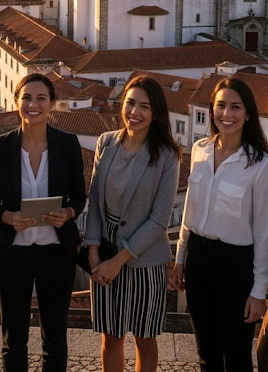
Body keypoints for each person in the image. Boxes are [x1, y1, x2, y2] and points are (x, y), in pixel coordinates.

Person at [168, 77, 268, 372]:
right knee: (206, 351)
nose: (226, 114)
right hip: (199, 260)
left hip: (236, 266)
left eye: (235, 107)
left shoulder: (261, 166)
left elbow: (265, 232)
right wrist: (180, 259)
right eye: (220, 106)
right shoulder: (200, 149)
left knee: (237, 354)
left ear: (248, 114)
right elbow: (190, 207)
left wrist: (258, 291)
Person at [0, 73, 87, 372]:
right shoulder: (1, 147)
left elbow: (79, 198)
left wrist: (67, 213)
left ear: (52, 104)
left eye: (41, 98)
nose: (33, 104)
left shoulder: (67, 144)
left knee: (55, 336)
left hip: (56, 253)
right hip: (13, 253)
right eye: (27, 97)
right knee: (13, 338)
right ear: (16, 101)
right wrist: (7, 218)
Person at [84, 74, 181, 372]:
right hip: (104, 251)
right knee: (110, 336)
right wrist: (94, 253)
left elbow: (159, 221)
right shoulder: (106, 143)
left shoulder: (166, 156)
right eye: (130, 103)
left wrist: (119, 261)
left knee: (144, 338)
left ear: (156, 113)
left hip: (145, 256)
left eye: (144, 106)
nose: (134, 112)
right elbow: (95, 201)